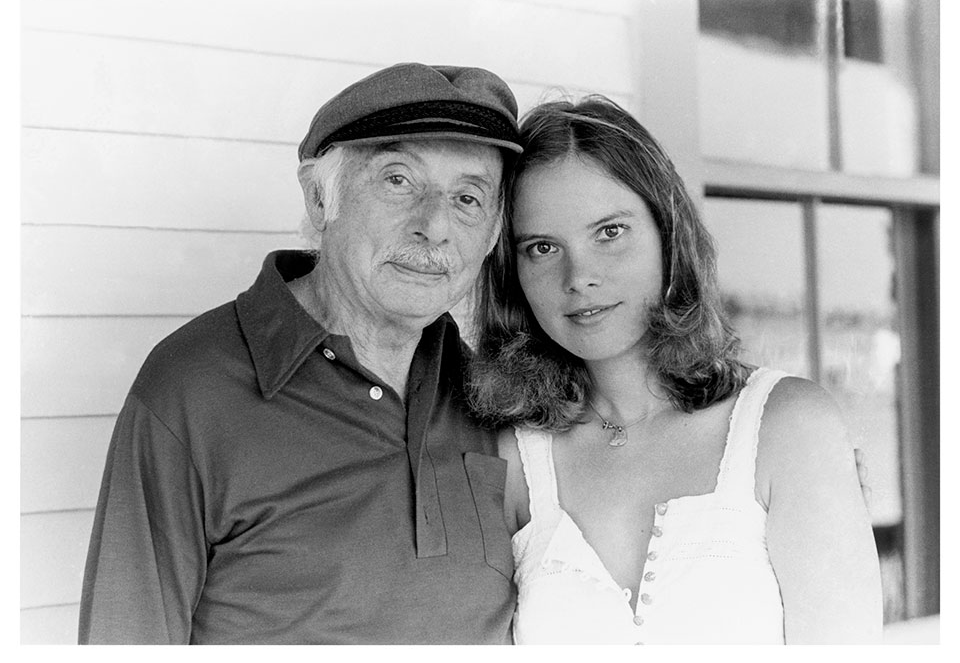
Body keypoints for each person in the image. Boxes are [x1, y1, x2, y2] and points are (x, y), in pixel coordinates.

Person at [78, 62, 522, 644]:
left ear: (491, 234)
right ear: (319, 199)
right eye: (398, 180)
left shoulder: (492, 392)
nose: (434, 226)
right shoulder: (193, 388)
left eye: (468, 197)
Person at [467, 96, 884, 644]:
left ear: (669, 234)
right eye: (543, 247)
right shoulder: (509, 456)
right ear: (511, 271)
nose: (580, 275)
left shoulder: (787, 427)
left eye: (610, 232)